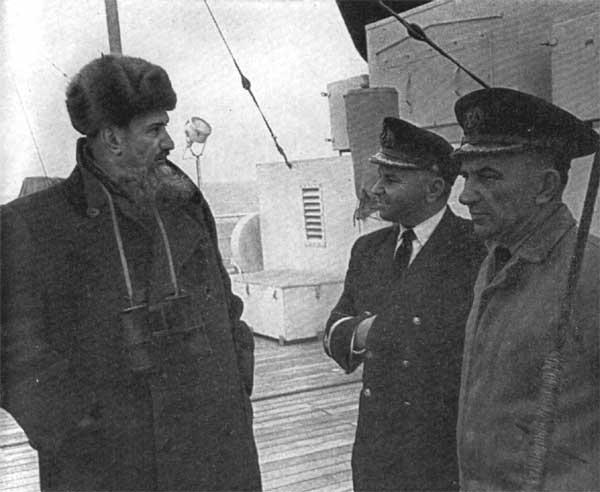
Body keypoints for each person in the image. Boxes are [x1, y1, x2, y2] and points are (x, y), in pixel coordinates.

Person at [0, 54, 261, 491]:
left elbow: (225, 304)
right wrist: (78, 431)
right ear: (112, 138)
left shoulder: (186, 205)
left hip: (214, 455)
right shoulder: (32, 226)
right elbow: (13, 354)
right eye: (154, 129)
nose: (170, 142)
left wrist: (236, 382)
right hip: (112, 468)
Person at [323, 117, 486, 491]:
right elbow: (333, 333)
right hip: (377, 450)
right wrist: (374, 331)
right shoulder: (367, 250)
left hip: (442, 454)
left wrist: (376, 329)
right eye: (380, 177)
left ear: (434, 188)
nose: (376, 190)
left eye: (391, 180)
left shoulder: (477, 250)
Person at [454, 87, 600, 491]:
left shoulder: (591, 274)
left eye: (488, 176)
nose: (465, 196)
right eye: (466, 176)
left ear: (546, 187)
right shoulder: (495, 261)